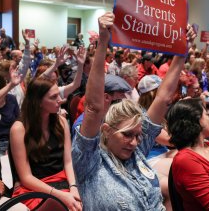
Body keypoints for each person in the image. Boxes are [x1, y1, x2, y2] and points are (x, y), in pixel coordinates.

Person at [72, 12, 195, 210]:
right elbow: (94, 108)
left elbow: (162, 99)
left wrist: (182, 50)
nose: (135, 142)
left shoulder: (135, 150)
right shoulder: (90, 162)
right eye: (127, 135)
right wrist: (103, 41)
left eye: (138, 135)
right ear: (106, 130)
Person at [10, 78, 82, 210]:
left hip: (63, 180)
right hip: (34, 187)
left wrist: (73, 186)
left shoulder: (61, 122)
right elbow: (26, 177)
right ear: (38, 102)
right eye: (53, 97)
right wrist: (59, 195)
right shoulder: (19, 129)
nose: (60, 100)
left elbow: (68, 162)